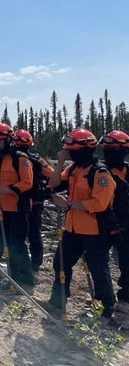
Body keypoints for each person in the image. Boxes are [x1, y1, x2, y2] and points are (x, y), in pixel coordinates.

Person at [48, 129, 116, 319]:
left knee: (98, 268)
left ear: (85, 150)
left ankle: (105, 308)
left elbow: (99, 204)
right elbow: (53, 184)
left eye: (72, 151)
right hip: (73, 229)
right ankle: (57, 301)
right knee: (60, 263)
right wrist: (60, 162)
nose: (70, 154)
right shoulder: (72, 169)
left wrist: (68, 203)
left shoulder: (100, 173)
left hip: (94, 230)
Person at [0, 123, 35, 290]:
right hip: (2, 209)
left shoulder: (20, 158)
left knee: (18, 245)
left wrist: (6, 190)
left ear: (8, 140)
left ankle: (27, 281)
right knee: (7, 245)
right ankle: (14, 280)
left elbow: (27, 183)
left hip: (18, 209)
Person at [11, 129, 54, 272]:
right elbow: (53, 176)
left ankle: (31, 263)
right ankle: (35, 262)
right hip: (33, 202)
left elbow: (53, 176)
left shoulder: (15, 160)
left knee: (23, 234)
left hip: (24, 202)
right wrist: (47, 191)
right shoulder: (38, 161)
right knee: (33, 233)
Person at [99, 130, 129, 307]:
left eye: (113, 149)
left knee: (126, 260)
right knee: (98, 259)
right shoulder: (99, 169)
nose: (109, 152)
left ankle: (126, 295)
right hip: (101, 221)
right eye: (106, 149)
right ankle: (103, 296)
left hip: (125, 223)